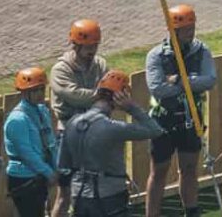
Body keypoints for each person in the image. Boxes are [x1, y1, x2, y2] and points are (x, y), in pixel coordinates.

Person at [143, 5, 216, 217]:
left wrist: (183, 81)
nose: (191, 33)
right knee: (159, 170)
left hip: (190, 118)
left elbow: (209, 80)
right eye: (186, 29)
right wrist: (189, 83)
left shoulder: (201, 51)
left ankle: (191, 211)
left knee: (190, 167)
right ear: (173, 30)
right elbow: (158, 88)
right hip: (163, 122)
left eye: (192, 28)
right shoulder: (156, 55)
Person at [58, 72, 162, 217]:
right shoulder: (113, 128)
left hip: (79, 195)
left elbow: (63, 164)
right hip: (110, 195)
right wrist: (131, 107)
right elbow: (155, 130)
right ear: (120, 96)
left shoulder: (72, 123)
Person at [2, 67, 59, 217]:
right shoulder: (17, 120)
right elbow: (27, 153)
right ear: (24, 92)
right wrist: (49, 172)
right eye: (35, 90)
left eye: (42, 89)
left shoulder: (42, 111)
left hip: (39, 174)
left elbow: (50, 141)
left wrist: (56, 166)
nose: (40, 93)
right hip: (23, 177)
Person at [48, 20, 108, 127]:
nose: (93, 50)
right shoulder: (60, 70)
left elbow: (111, 90)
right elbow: (75, 96)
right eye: (88, 47)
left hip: (96, 125)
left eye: (95, 46)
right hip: (69, 127)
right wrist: (101, 94)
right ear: (76, 46)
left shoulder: (100, 64)